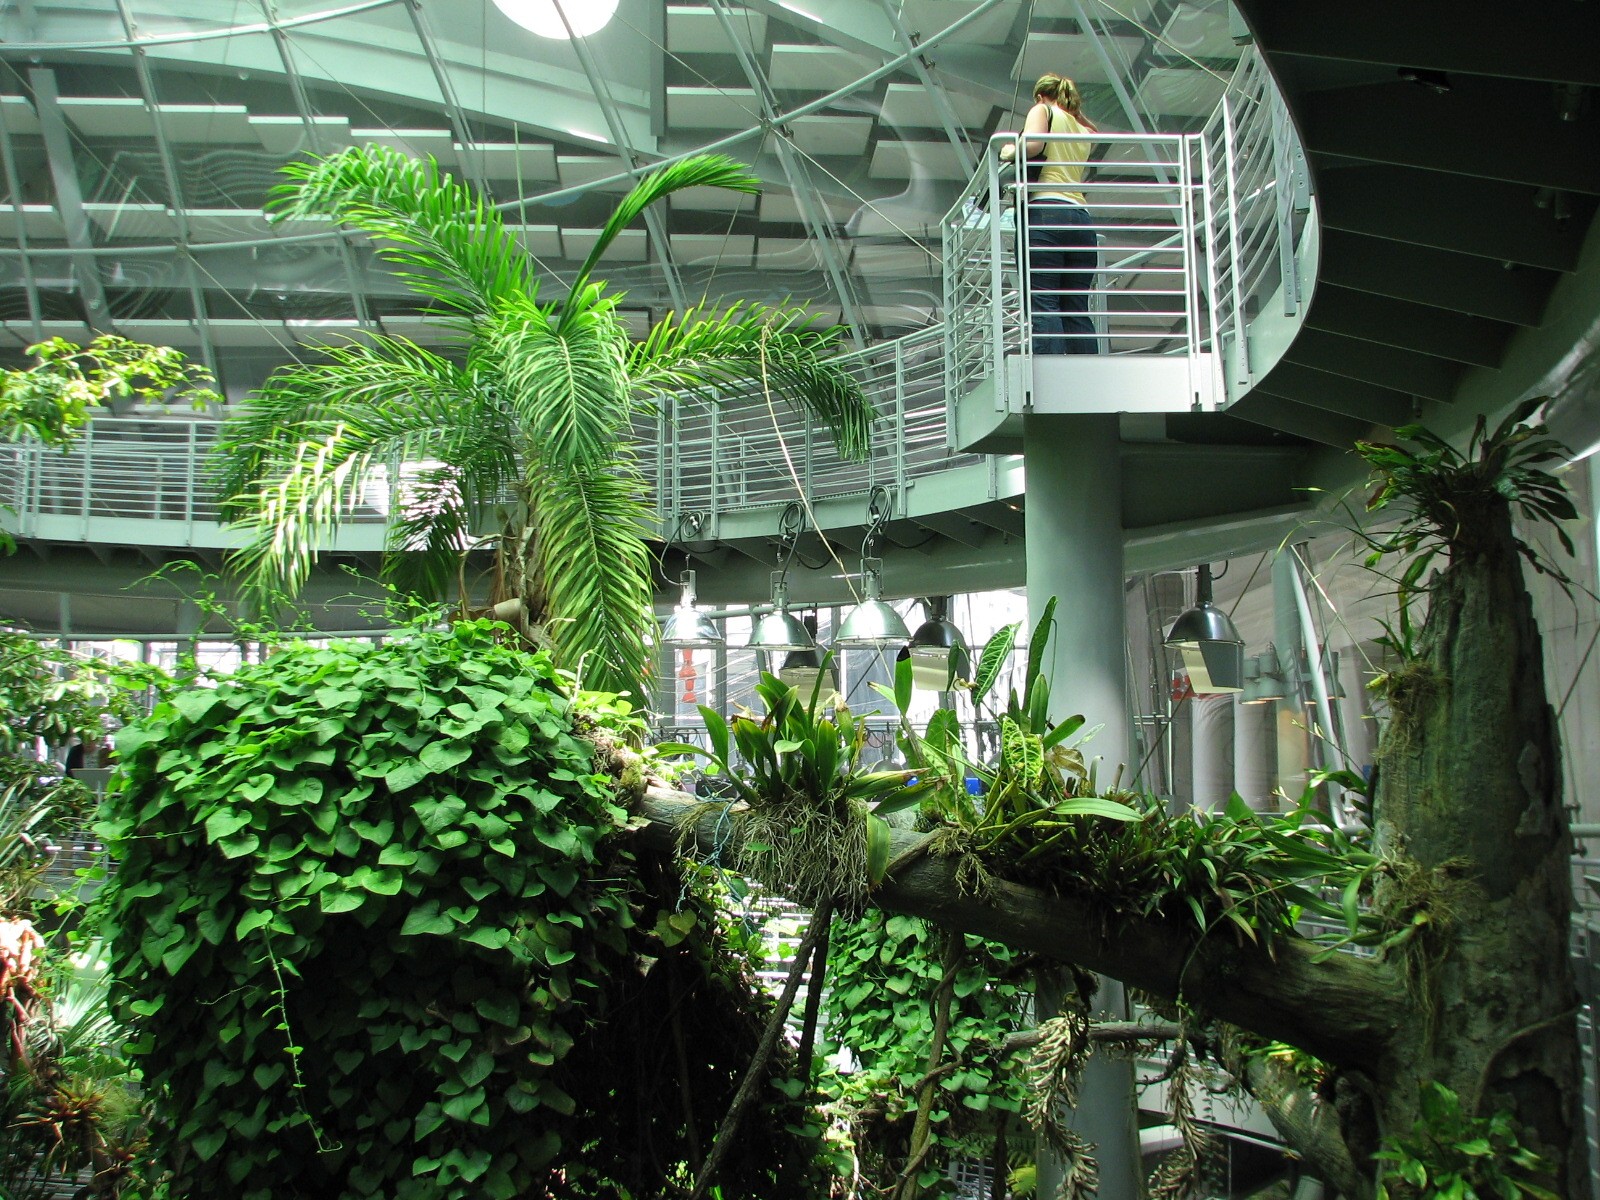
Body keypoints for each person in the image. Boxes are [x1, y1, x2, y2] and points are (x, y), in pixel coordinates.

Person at [1001, 73, 1100, 354]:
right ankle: (1085, 374)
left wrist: (1009, 150)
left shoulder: (1041, 110)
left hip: (1046, 212)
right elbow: (1094, 129)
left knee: (1044, 301)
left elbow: (1033, 146)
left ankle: (1049, 372)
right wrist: (1075, 111)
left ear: (1040, 96)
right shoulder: (1082, 130)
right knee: (1076, 306)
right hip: (1081, 219)